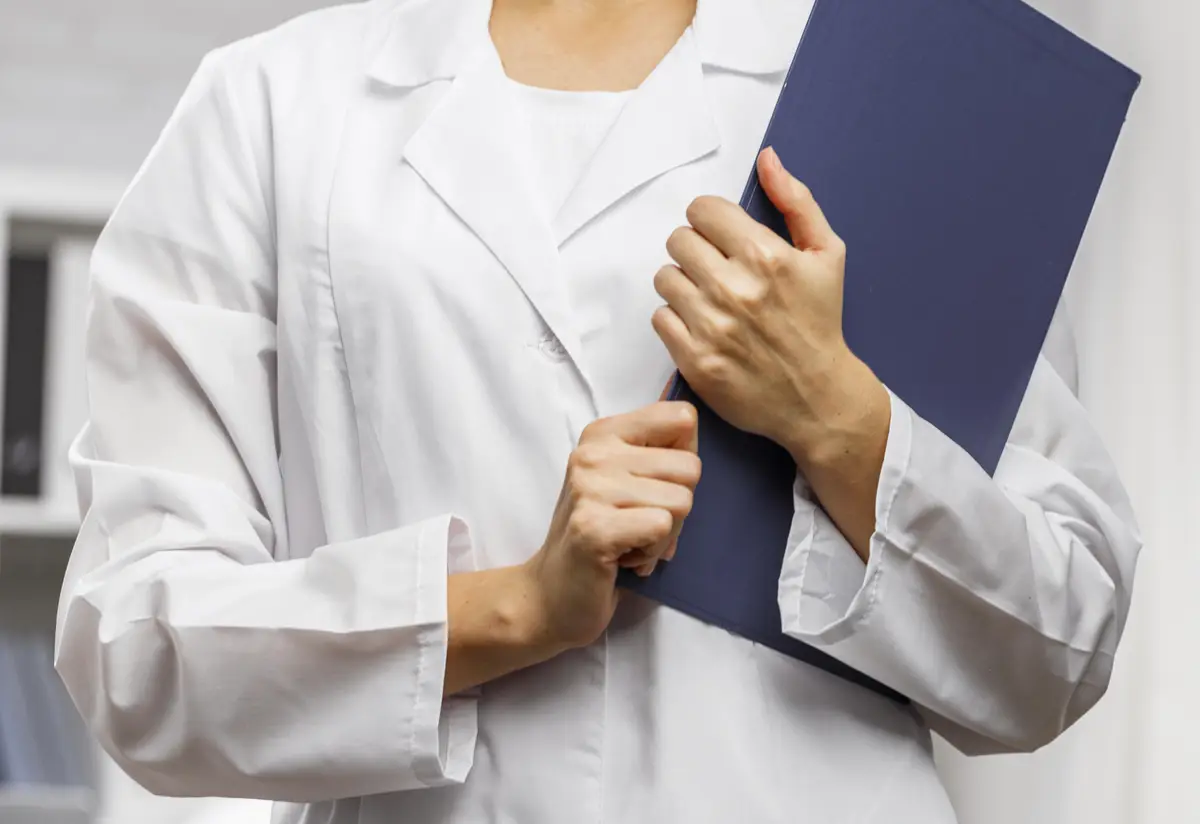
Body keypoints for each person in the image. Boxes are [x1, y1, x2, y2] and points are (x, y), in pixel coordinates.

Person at [53, 0, 1142, 822]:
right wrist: (508, 607)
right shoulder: (270, 108)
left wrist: (838, 416)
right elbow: (135, 645)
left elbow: (1061, 643)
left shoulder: (908, 87)